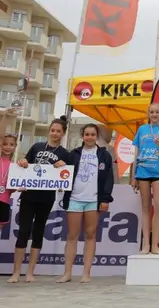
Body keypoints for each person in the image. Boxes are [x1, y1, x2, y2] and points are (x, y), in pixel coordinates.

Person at [8, 116, 70, 283]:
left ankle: (30, 273)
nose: (55, 133)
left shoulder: (64, 154)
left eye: (58, 131)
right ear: (49, 131)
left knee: (38, 233)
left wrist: (63, 166)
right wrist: (22, 162)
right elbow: (24, 163)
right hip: (28, 195)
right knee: (23, 232)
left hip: (46, 198)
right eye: (53, 130)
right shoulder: (36, 146)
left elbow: (67, 178)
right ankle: (16, 273)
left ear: (63, 133)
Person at [57, 123, 114, 283]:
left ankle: (86, 273)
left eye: (92, 135)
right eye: (87, 134)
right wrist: (59, 165)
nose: (89, 137)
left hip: (93, 201)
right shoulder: (73, 154)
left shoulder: (104, 155)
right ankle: (67, 273)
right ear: (82, 136)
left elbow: (109, 179)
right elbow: (63, 172)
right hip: (74, 199)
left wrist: (105, 198)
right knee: (72, 236)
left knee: (90, 236)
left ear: (97, 137)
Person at [131, 103, 159, 255]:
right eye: (152, 112)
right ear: (148, 114)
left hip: (158, 172)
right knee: (145, 208)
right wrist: (133, 176)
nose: (154, 114)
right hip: (142, 172)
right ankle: (146, 245)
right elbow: (136, 154)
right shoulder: (142, 129)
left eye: (157, 112)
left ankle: (155, 245)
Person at [0, 108, 19, 231]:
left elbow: (11, 190)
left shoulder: (15, 165)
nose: (7, 147)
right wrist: (6, 117)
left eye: (11, 144)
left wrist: (18, 187)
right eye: (5, 144)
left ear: (15, 146)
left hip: (5, 201)